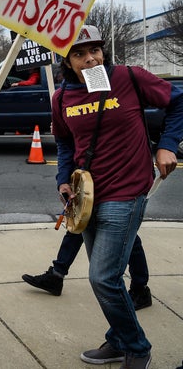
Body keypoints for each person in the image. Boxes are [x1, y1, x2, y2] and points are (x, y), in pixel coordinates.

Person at [52, 25, 183, 368]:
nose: (90, 58)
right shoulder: (63, 98)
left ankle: (137, 347)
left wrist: (168, 146)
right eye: (79, 53)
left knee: (103, 277)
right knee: (104, 279)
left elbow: (179, 102)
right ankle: (119, 339)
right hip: (87, 198)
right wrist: (63, 179)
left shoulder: (129, 77)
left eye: (94, 50)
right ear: (67, 62)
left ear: (103, 51)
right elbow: (65, 142)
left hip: (127, 192)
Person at [21, 231, 152, 310]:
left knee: (129, 236)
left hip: (125, 194)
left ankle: (140, 289)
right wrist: (64, 184)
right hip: (98, 189)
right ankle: (56, 275)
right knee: (80, 223)